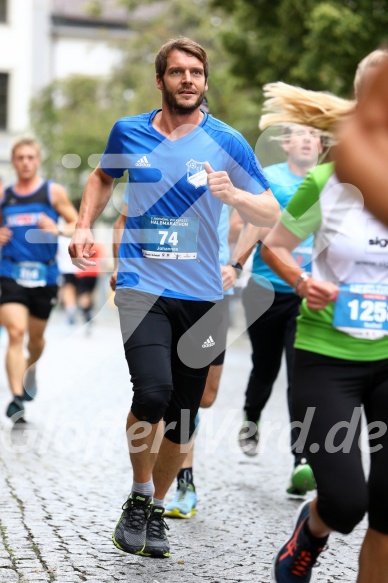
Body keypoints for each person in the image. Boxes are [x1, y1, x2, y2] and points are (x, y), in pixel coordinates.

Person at [69, 37, 279, 559]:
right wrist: (82, 224)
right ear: (160, 80)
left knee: (185, 415)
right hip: (143, 286)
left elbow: (270, 212)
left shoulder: (228, 141)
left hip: (205, 294)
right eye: (178, 72)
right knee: (153, 391)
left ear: (206, 82)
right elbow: (100, 177)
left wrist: (234, 195)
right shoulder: (129, 131)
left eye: (197, 73)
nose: (188, 80)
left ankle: (155, 507)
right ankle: (139, 496)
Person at [261, 49, 388, 583]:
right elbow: (276, 246)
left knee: (387, 508)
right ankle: (310, 533)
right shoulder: (328, 181)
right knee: (345, 502)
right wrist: (300, 280)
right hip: (325, 359)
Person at [237, 124, 323, 498]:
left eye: (314, 134)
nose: (307, 139)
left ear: (322, 145)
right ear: (286, 144)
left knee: (300, 375)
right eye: (299, 134)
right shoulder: (269, 178)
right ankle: (251, 415)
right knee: (265, 366)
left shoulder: (331, 181)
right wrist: (236, 262)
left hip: (310, 292)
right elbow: (251, 225)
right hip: (265, 289)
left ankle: (301, 461)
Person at [0, 137, 78, 422]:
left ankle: (30, 368)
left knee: (35, 339)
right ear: (13, 161)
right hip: (10, 272)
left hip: (45, 274)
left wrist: (57, 229)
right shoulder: (4, 194)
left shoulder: (52, 192)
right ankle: (17, 399)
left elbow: (77, 225)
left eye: (30, 157)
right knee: (15, 332)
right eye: (20, 158)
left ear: (38, 160)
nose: (25, 163)